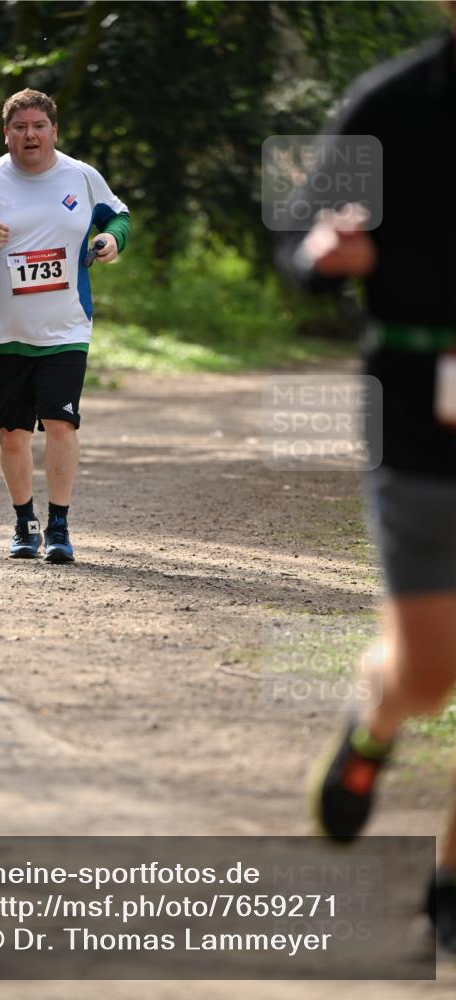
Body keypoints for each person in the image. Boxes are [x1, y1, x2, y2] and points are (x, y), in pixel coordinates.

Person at [275, 22, 456, 953]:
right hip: (419, 414)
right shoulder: (389, 105)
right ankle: (375, 719)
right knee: (428, 675)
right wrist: (323, 257)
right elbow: (297, 241)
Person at [0, 88, 130, 562]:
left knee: (61, 423)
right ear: (6, 135)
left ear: (53, 131)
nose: (30, 135)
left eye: (38, 126)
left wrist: (108, 240)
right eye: (19, 127)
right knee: (11, 434)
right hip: (4, 333)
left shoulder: (81, 177)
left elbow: (119, 217)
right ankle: (25, 523)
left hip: (66, 328)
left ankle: (59, 527)